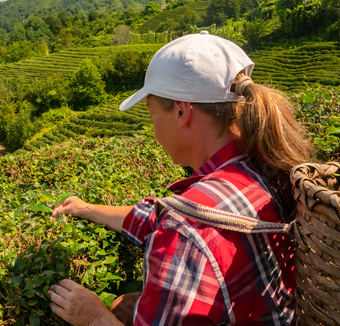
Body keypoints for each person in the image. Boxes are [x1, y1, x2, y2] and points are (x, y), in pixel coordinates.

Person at [47, 31, 311, 325]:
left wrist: (93, 316)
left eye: (152, 116)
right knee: (125, 304)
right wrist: (85, 209)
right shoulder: (267, 166)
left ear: (181, 112)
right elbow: (156, 220)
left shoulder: (186, 228)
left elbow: (183, 231)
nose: (153, 130)